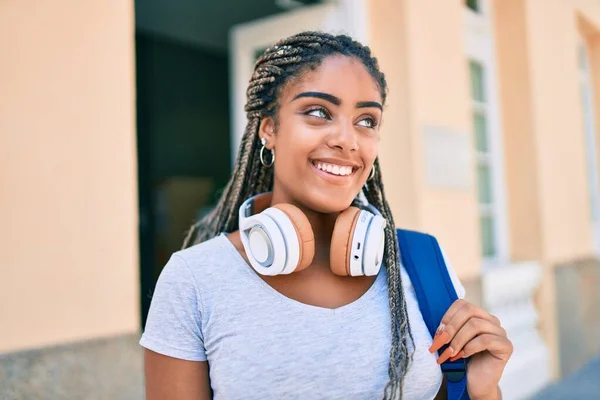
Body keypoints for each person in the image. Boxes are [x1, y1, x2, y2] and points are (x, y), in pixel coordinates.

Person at [139, 31, 513, 400]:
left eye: (366, 120)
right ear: (269, 128)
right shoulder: (193, 279)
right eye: (319, 112)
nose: (347, 140)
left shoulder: (422, 263)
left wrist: (483, 391)